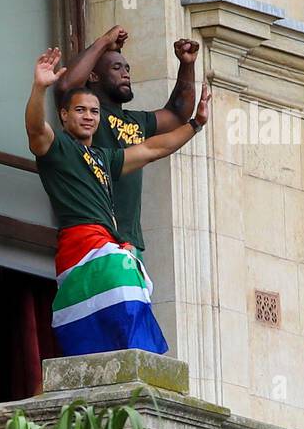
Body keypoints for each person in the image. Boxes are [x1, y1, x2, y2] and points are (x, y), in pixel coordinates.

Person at [25, 46, 210, 356]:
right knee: (125, 272)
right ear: (64, 115)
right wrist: (39, 88)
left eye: (94, 111)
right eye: (80, 110)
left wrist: (195, 124)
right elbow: (35, 127)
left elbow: (154, 149)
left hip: (105, 242)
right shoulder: (56, 150)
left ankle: (135, 361)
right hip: (83, 242)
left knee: (128, 295)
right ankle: (142, 355)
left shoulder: (105, 157)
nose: (88, 117)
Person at [53, 25, 200, 260]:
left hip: (129, 240)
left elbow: (178, 114)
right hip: (95, 236)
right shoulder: (89, 116)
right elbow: (65, 86)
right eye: (116, 67)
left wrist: (187, 64)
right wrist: (104, 41)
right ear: (93, 75)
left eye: (127, 68)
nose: (126, 73)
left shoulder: (136, 120)